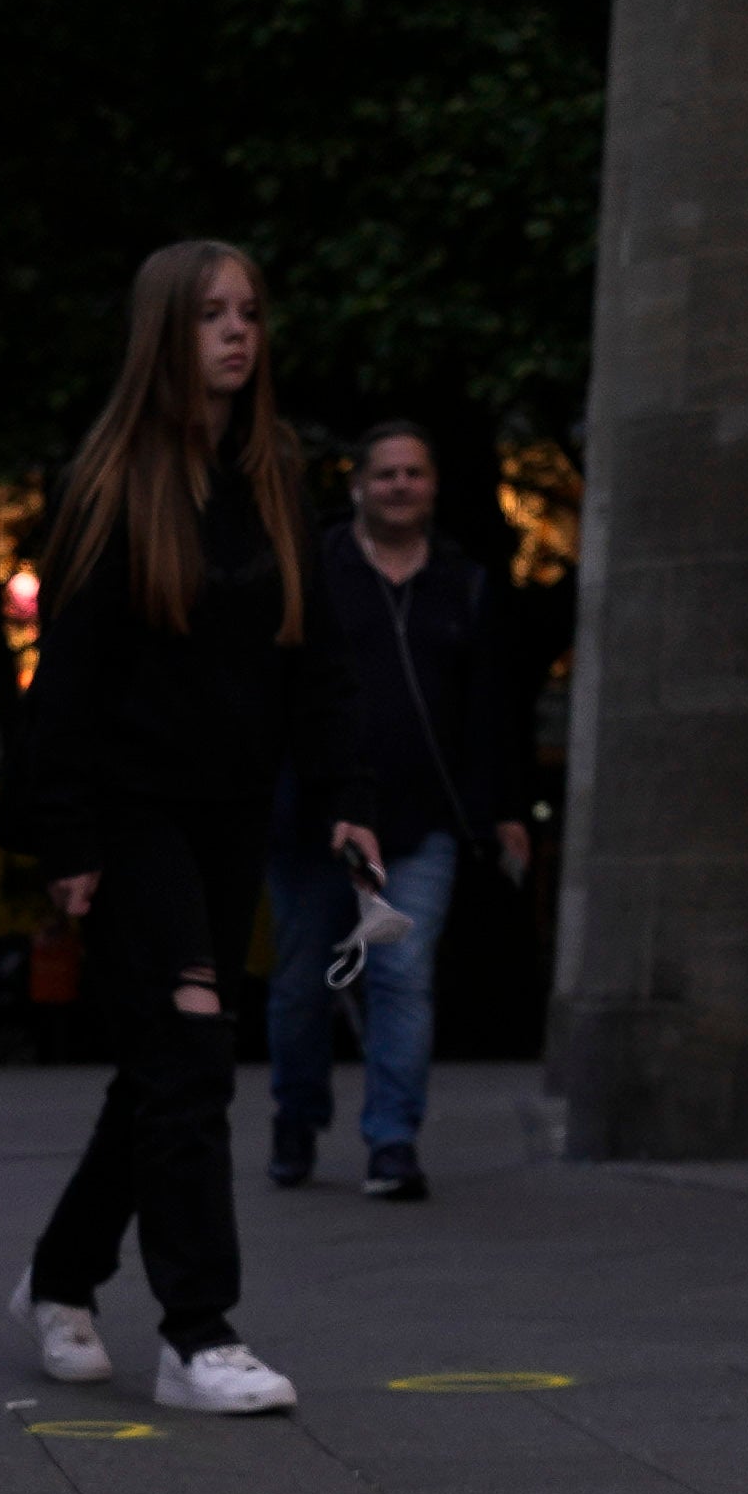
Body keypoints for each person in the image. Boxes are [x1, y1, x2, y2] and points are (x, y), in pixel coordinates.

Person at [9, 239, 307, 1419]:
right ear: (163, 335)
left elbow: (312, 659)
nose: (236, 333)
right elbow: (63, 681)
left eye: (248, 313)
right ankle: (198, 1332)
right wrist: (66, 844)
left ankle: (58, 1273)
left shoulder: (277, 471)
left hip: (233, 816)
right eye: (209, 316)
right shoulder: (109, 483)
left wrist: (344, 804)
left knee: (160, 1073)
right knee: (189, 1051)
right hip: (134, 815)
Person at [282, 416, 532, 1203]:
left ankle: (392, 1141)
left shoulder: (465, 580)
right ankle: (297, 1114)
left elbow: (493, 706)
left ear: (431, 487)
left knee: (402, 978)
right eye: (383, 472)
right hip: (313, 818)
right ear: (356, 485)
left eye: (413, 473)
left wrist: (501, 808)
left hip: (421, 820)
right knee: (300, 986)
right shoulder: (314, 570)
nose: (398, 485)